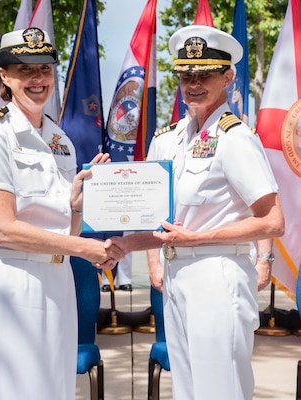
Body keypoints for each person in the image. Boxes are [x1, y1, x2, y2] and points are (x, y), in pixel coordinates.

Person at [107, 25, 285, 400]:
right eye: (187, 74)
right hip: (177, 277)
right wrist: (120, 245)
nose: (194, 83)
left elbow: (272, 220)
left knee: (220, 391)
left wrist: (197, 238)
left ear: (228, 76)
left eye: (204, 74)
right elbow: (157, 220)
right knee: (188, 391)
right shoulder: (168, 139)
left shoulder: (236, 139)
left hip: (218, 276)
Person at [0, 27, 124, 400]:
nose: (37, 79)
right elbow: (3, 229)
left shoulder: (58, 140)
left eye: (45, 69)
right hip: (10, 279)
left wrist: (77, 205)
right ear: (4, 76)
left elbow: (67, 227)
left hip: (57, 279)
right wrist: (83, 250)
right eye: (25, 69)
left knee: (52, 388)